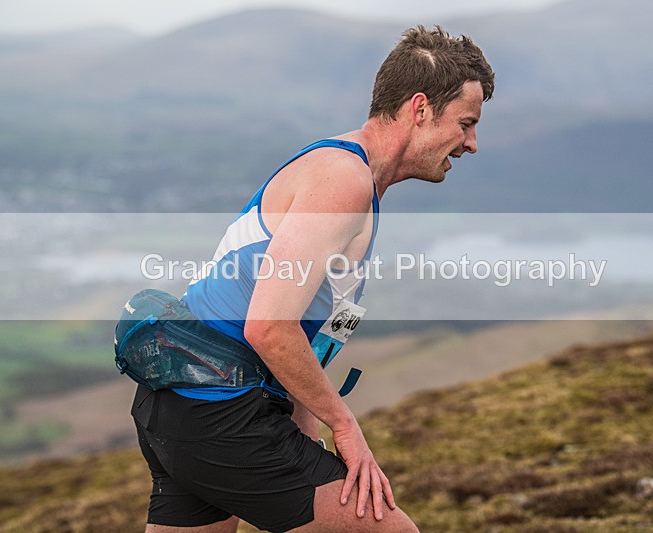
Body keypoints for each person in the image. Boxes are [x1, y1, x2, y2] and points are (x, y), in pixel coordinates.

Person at [131, 25, 494, 533]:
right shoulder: (342, 182)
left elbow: (297, 328)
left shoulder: (344, 172)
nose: (472, 144)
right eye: (467, 122)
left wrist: (305, 430)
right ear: (420, 109)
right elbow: (268, 326)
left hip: (180, 402)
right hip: (220, 410)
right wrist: (344, 426)